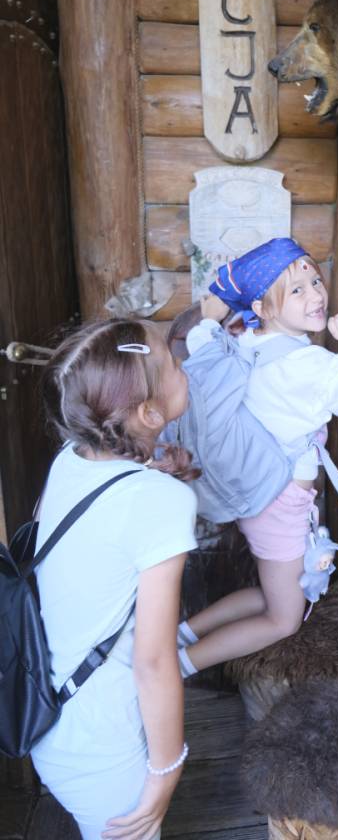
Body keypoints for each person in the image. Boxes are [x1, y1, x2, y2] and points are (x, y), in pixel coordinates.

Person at [177, 237, 338, 676]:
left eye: (315, 281)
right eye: (296, 289)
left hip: (251, 492)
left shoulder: (239, 343)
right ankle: (177, 664)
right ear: (262, 307)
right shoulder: (312, 365)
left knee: (276, 591)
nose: (316, 295)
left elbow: (199, 338)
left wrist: (211, 315)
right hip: (281, 501)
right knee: (284, 619)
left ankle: (182, 634)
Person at [30, 319, 198, 840]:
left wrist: (150, 475)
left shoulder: (71, 458)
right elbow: (153, 661)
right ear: (149, 413)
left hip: (52, 715)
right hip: (105, 751)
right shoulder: (163, 503)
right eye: (171, 361)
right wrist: (166, 772)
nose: (182, 365)